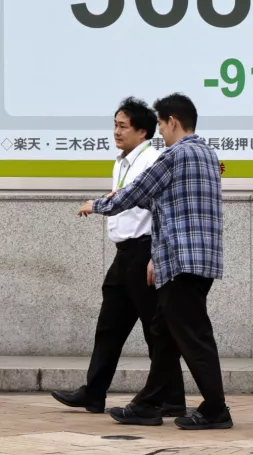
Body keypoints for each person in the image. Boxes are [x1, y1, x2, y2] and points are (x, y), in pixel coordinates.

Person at [77, 93, 231, 430]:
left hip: (180, 261)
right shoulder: (206, 153)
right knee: (165, 332)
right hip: (201, 260)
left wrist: (98, 203)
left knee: (193, 336)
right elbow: (161, 200)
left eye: (161, 124)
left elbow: (135, 193)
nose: (160, 130)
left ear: (172, 121)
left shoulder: (173, 156)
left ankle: (216, 409)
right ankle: (150, 403)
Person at [52, 97, 186, 416]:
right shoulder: (121, 161)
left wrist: (157, 254)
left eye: (123, 126)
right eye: (115, 124)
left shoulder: (153, 159)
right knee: (109, 327)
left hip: (145, 252)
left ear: (143, 132)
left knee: (157, 331)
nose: (116, 131)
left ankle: (172, 399)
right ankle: (94, 393)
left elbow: (159, 208)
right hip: (123, 255)